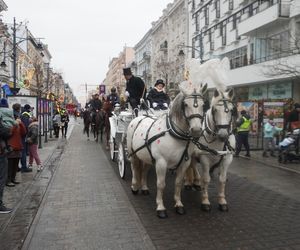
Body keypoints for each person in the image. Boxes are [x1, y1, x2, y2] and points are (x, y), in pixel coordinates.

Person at [6, 113, 26, 186]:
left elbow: (24, 132)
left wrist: (21, 124)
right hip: (11, 147)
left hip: (18, 147)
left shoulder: (18, 125)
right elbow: (9, 133)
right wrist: (15, 125)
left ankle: (13, 179)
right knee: (10, 165)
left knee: (15, 165)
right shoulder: (9, 125)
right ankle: (8, 180)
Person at [20, 104, 32, 173]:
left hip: (21, 135)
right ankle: (24, 167)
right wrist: (28, 135)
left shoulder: (22, 113)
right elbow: (26, 126)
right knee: (23, 152)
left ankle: (21, 166)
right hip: (23, 136)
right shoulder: (25, 115)